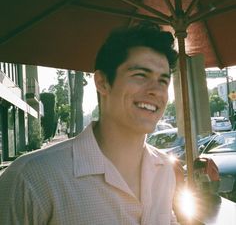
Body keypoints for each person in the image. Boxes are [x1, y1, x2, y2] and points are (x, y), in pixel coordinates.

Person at [0, 21, 179, 224]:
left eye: (163, 80)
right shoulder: (31, 179)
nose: (155, 90)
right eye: (140, 75)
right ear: (102, 82)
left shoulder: (164, 169)